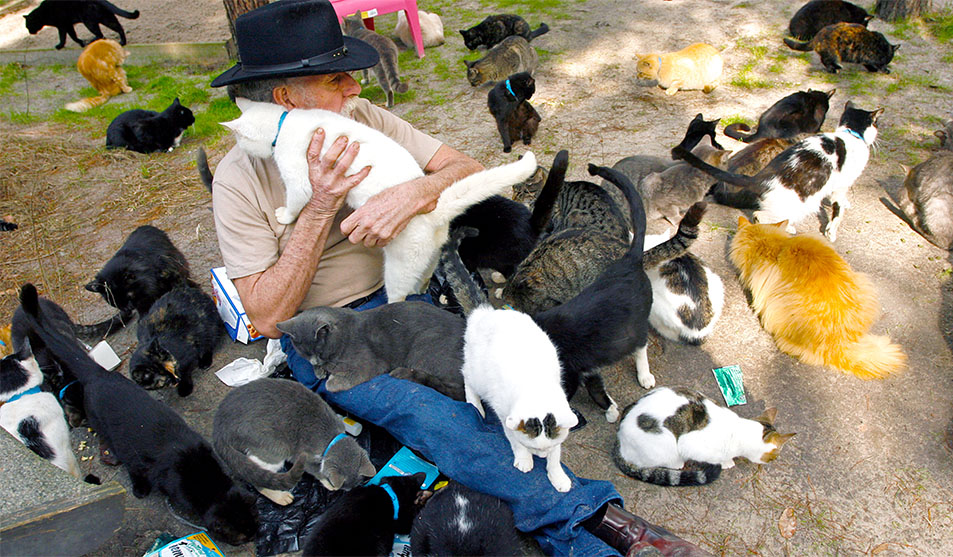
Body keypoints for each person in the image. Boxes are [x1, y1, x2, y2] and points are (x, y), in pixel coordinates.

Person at [210, 2, 709, 556]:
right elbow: (263, 315)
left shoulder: (364, 121)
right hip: (331, 335)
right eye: (336, 78)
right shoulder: (239, 178)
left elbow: (469, 170)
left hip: (409, 300)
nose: (355, 86)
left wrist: (414, 192)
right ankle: (598, 526)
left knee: (501, 386)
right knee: (433, 417)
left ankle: (568, 516)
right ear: (286, 99)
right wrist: (323, 201)